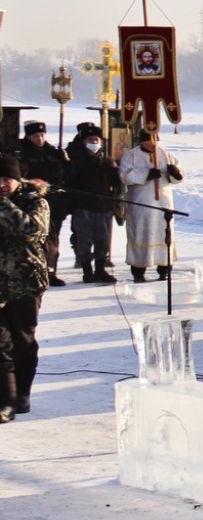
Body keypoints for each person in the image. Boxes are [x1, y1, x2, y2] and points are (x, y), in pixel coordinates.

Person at [0, 156, 49, 420]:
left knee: (23, 340)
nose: (2, 185)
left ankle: (22, 394)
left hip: (25, 282)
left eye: (7, 179)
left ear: (18, 180)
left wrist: (3, 205)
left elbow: (31, 231)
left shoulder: (36, 202)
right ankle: (5, 402)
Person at [118, 128, 182, 282]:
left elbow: (178, 173)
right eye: (149, 140)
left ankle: (164, 268)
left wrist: (175, 173)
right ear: (142, 141)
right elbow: (124, 176)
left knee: (164, 233)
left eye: (155, 140)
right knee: (142, 233)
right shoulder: (131, 155)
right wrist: (145, 175)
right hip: (142, 204)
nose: (152, 143)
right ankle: (139, 270)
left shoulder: (164, 154)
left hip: (163, 203)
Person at [63, 124, 118, 284]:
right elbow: (70, 180)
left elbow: (114, 182)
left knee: (103, 238)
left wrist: (113, 172)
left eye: (96, 140)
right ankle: (87, 271)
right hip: (83, 205)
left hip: (103, 205)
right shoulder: (76, 159)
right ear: (84, 141)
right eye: (90, 140)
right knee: (84, 238)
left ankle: (100, 269)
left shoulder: (107, 160)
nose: (93, 142)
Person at [15, 121, 67, 287]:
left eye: (42, 135)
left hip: (53, 203)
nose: (40, 139)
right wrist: (33, 183)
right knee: (35, 239)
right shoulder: (20, 153)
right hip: (30, 202)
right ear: (29, 136)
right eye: (36, 136)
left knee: (53, 238)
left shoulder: (52, 152)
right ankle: (35, 272)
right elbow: (18, 176)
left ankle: (51, 271)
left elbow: (64, 174)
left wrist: (64, 161)